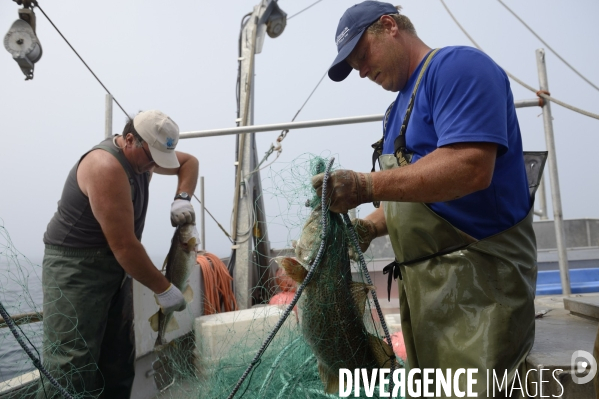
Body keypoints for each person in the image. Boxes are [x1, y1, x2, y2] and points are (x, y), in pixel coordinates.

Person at [313, 2, 540, 397]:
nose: (361, 71)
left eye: (362, 56)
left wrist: (365, 186)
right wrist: (370, 225)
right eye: (353, 67)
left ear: (389, 26)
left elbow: (470, 167)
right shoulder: (394, 111)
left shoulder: (456, 67)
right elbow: (410, 197)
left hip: (482, 288)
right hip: (424, 297)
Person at [38, 110, 199, 399]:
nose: (154, 167)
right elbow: (125, 246)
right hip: (76, 268)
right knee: (71, 365)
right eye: (151, 158)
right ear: (129, 140)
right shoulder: (105, 166)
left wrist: (182, 198)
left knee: (117, 359)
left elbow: (189, 162)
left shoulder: (143, 158)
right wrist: (165, 289)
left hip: (116, 266)